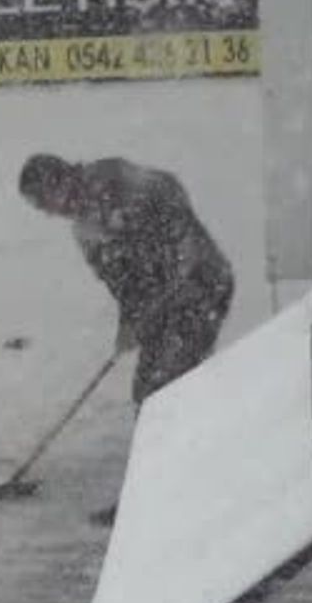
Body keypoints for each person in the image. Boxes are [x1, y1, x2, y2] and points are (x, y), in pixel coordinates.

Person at [19, 154, 234, 524]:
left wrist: (160, 289)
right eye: (39, 208)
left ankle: (175, 494)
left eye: (43, 201)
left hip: (201, 289)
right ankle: (156, 491)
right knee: (148, 393)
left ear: (59, 180)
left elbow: (172, 220)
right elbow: (124, 284)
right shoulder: (85, 230)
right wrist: (129, 324)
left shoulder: (119, 180)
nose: (48, 213)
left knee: (164, 389)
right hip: (164, 306)